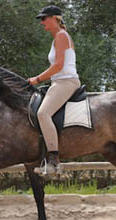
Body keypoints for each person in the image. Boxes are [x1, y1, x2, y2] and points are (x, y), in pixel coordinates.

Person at [28, 5, 81, 175]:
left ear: (55, 19)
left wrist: (37, 79)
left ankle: (54, 161)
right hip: (59, 82)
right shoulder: (58, 37)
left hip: (66, 82)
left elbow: (58, 65)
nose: (42, 22)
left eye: (44, 18)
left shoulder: (61, 36)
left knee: (43, 114)